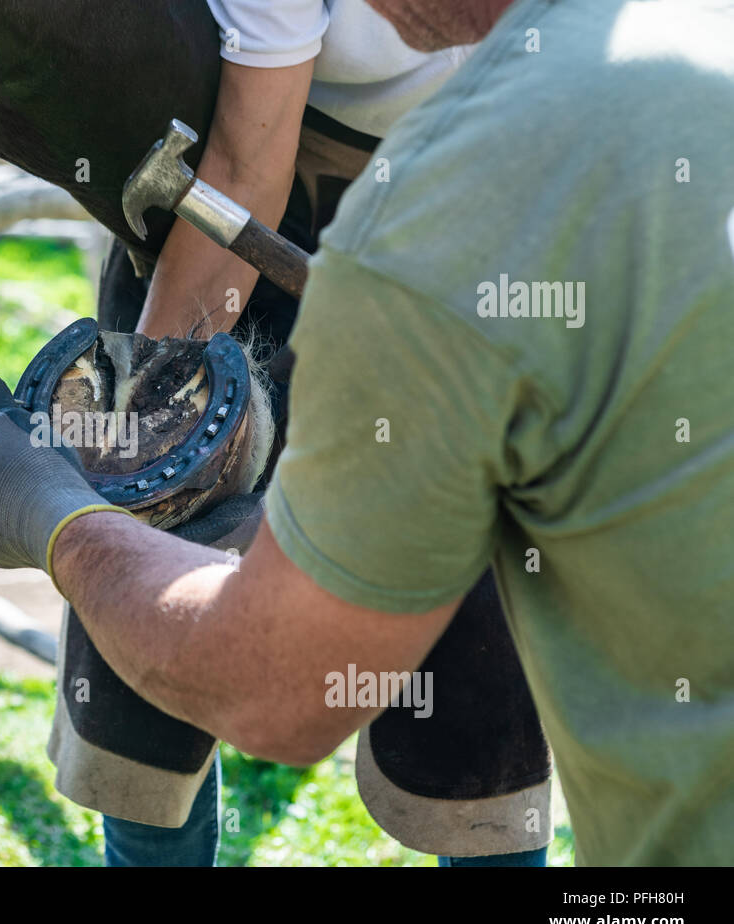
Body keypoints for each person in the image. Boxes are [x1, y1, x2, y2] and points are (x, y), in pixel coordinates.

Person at [0, 0, 734, 866]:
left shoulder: (478, 236)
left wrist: (47, 514)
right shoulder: (669, 72)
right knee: (150, 733)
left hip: (444, 233)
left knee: (483, 706)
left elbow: (276, 687)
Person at [91, 0, 547, 868]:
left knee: (490, 659)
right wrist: (151, 406)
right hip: (257, 209)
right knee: (151, 540)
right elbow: (245, 163)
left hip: (494, 205)